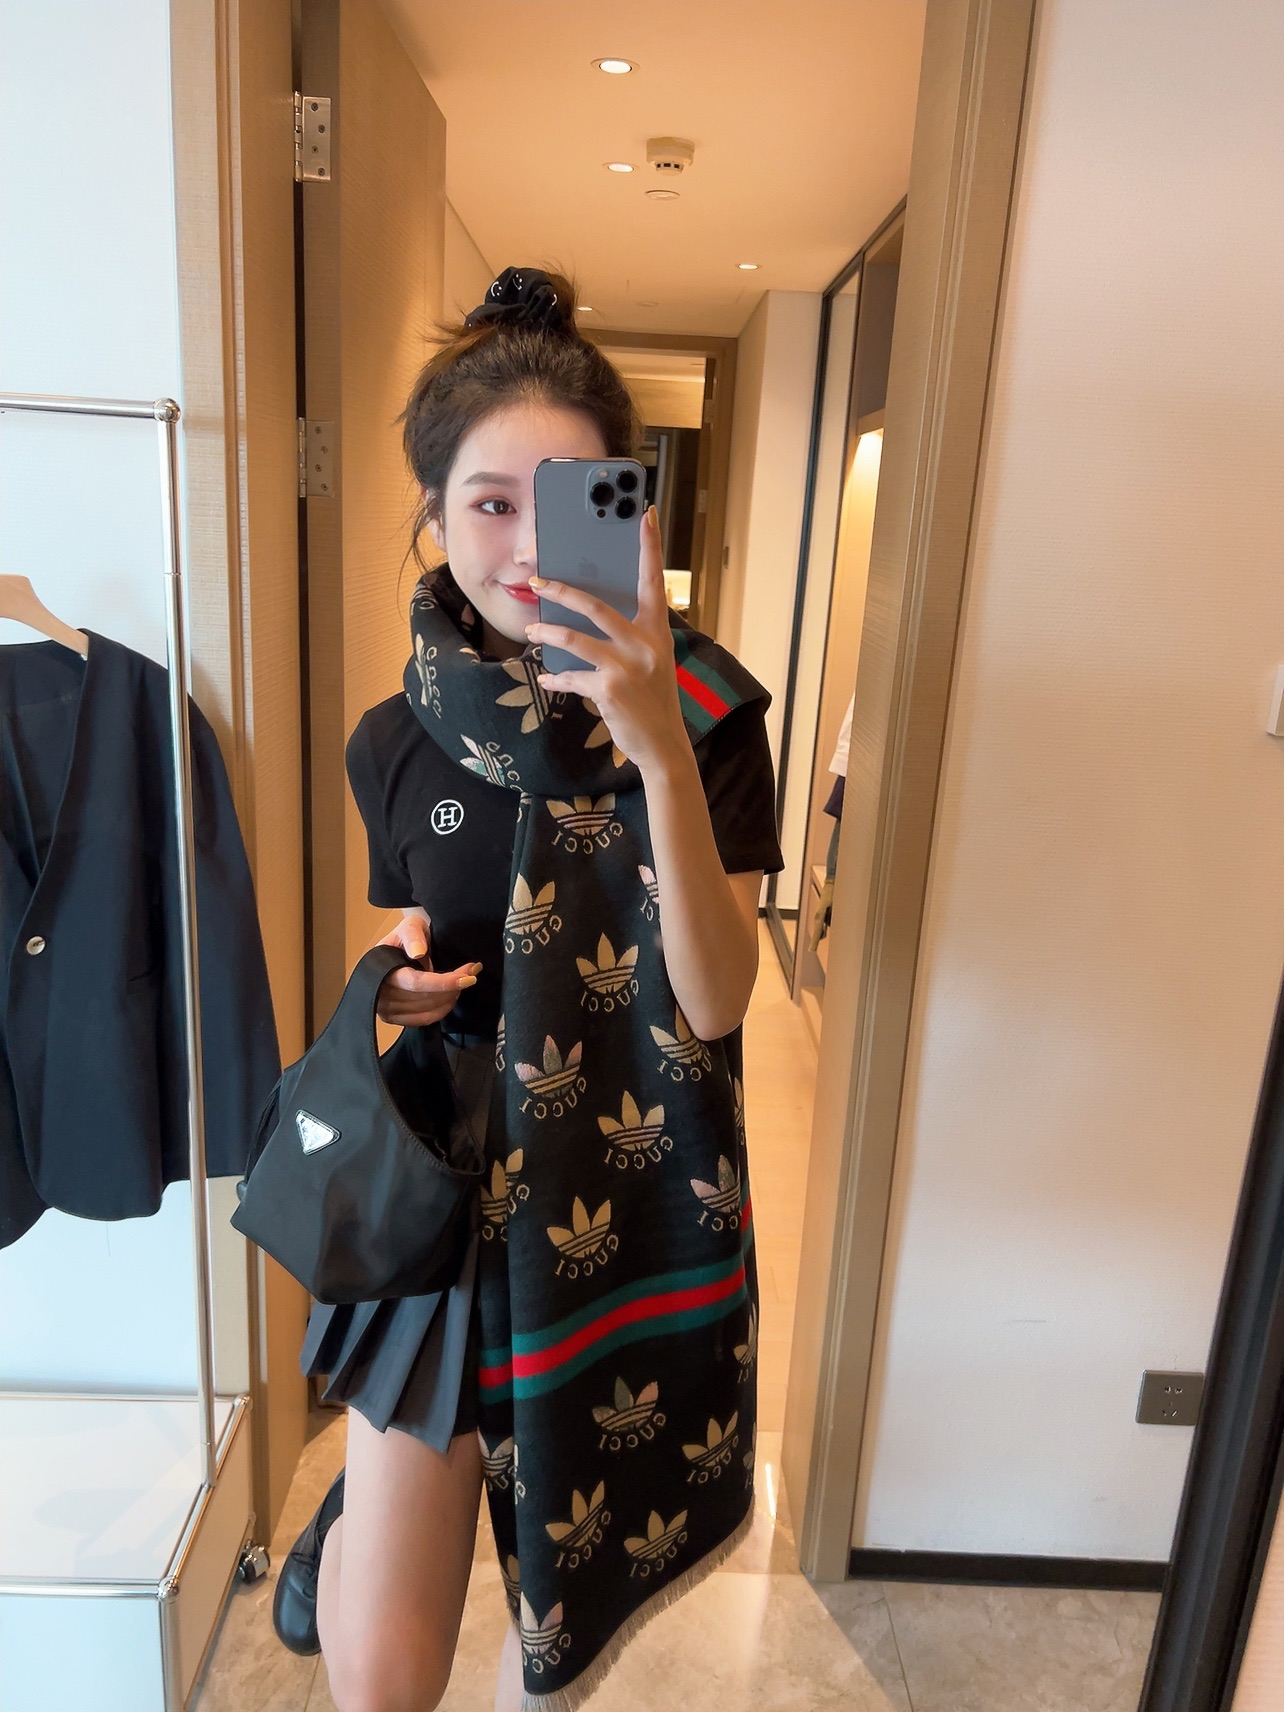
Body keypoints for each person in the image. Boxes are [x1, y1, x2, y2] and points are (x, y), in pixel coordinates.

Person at [272, 267, 784, 1712]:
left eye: (567, 500)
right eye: (490, 501)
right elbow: (413, 936)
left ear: (630, 512)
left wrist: (655, 746)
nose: (525, 542)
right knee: (385, 1681)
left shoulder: (712, 715)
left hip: (619, 1193)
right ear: (433, 516)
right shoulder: (394, 737)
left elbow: (718, 1001)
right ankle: (359, 1512)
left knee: (560, 1627)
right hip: (442, 1194)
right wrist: (394, 990)